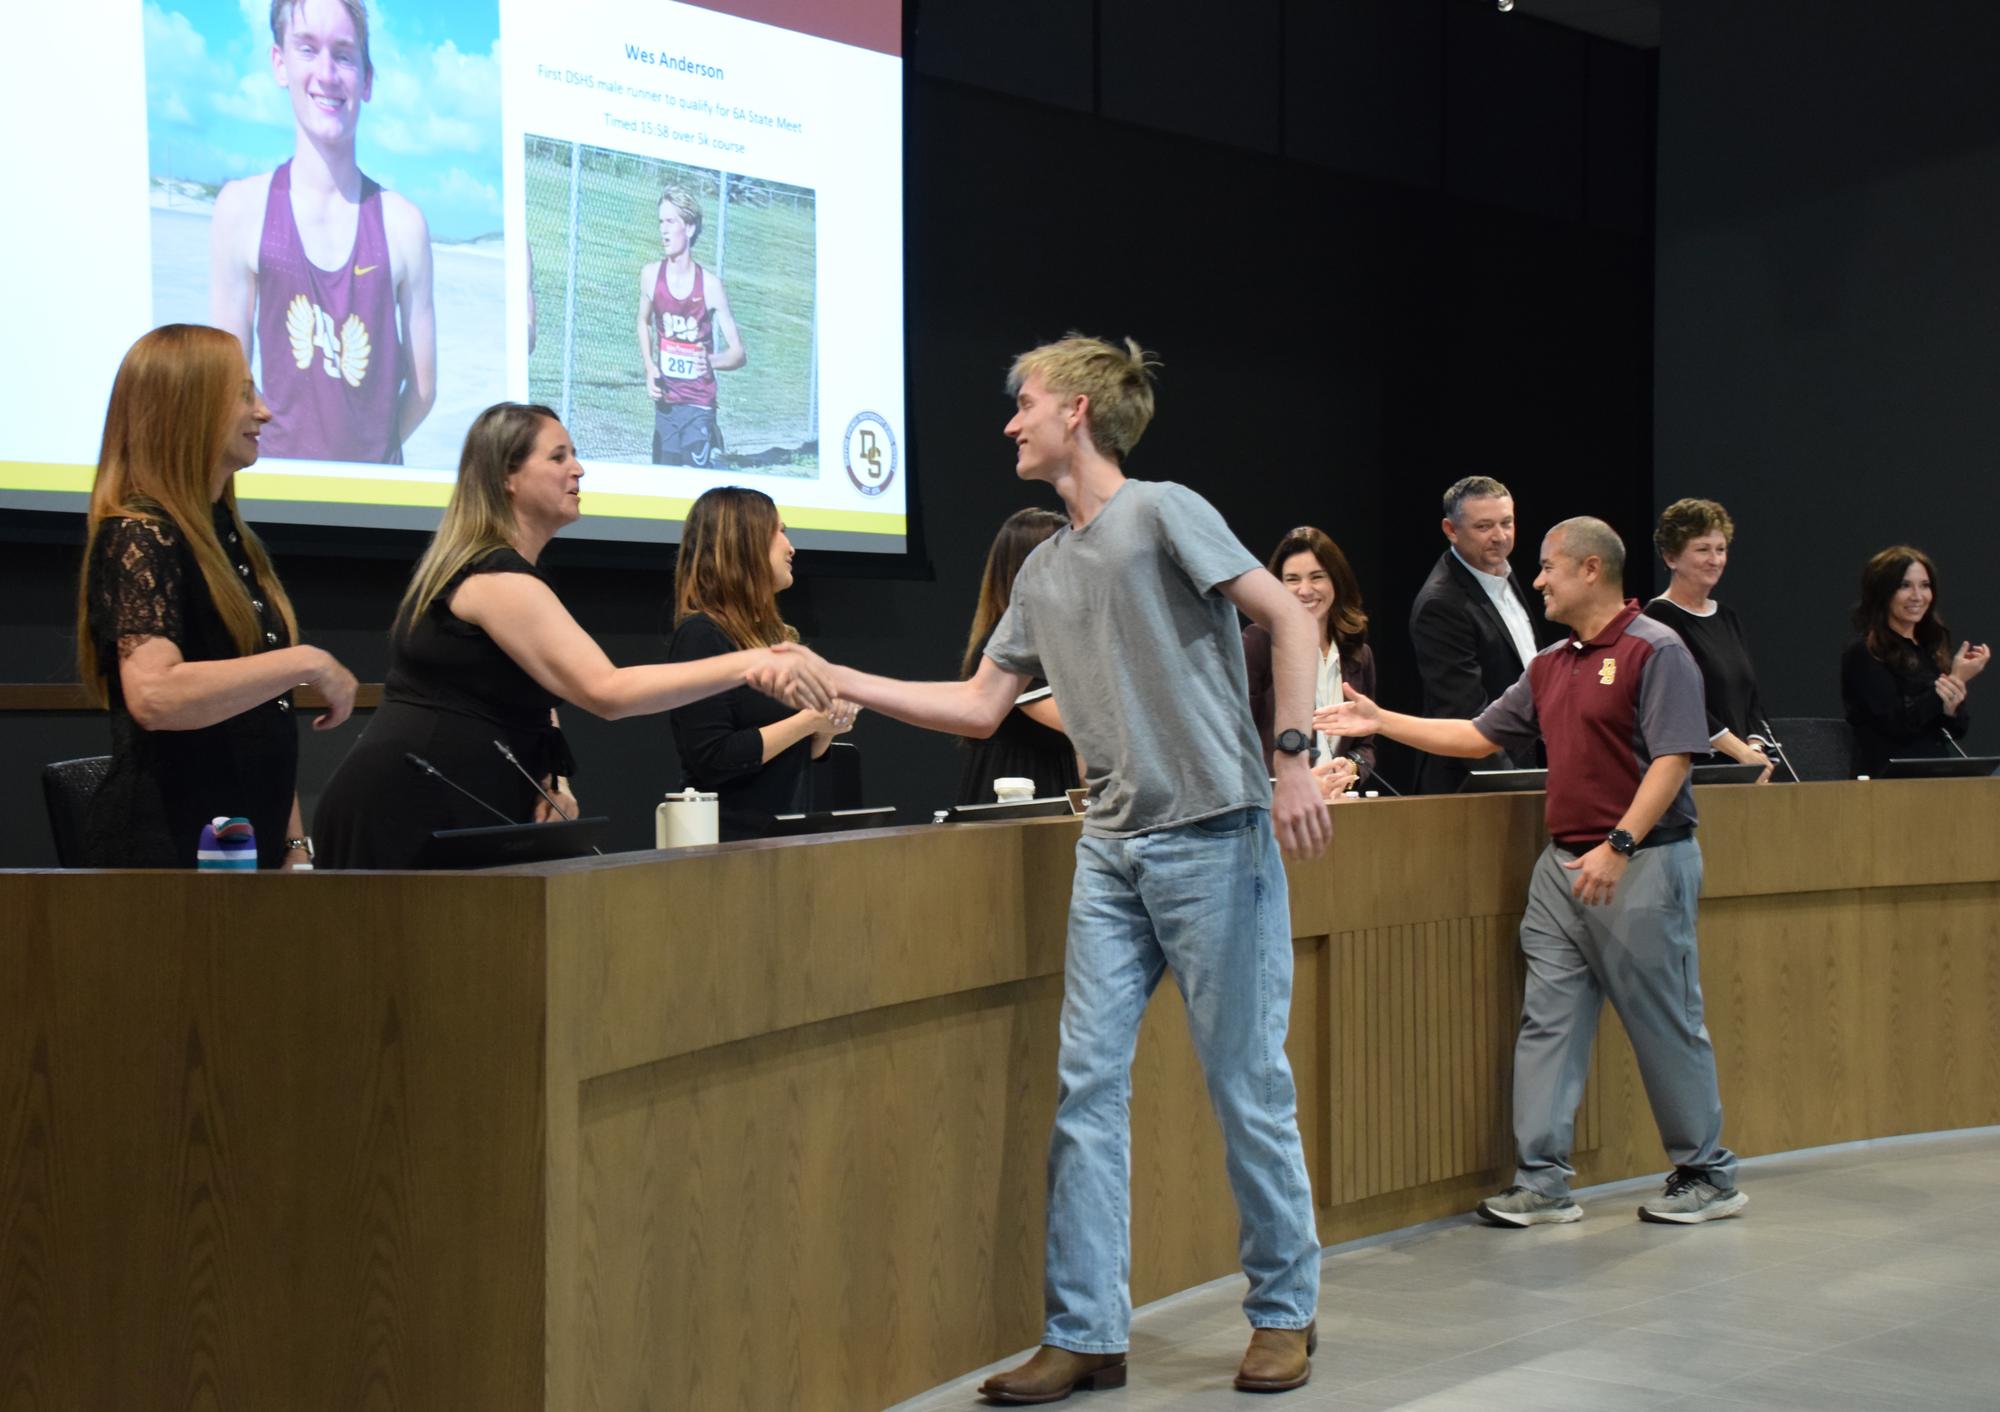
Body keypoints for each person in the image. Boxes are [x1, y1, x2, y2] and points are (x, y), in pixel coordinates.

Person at [825, 335, 1331, 1399]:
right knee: (1084, 1091)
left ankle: (1283, 1309)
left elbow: (1284, 614)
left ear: (1080, 411)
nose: (1009, 422)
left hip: (1212, 831)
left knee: (1246, 1085)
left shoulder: (1162, 510)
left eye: (1024, 403)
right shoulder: (1044, 569)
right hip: (1109, 850)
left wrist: (1291, 760)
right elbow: (976, 705)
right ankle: (1087, 1328)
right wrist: (839, 675)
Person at [1324, 517, 1749, 1228]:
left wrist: (1619, 843)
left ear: (1590, 570)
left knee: (1665, 1019)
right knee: (1547, 1019)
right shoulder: (1552, 663)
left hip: (1640, 862)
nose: (1538, 578)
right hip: (1561, 868)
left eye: (1549, 566)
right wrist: (1380, 720)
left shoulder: (1657, 650)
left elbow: (1675, 758)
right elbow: (1478, 736)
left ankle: (1707, 1172)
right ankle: (1542, 1179)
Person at [313, 406, 831, 868]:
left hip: (457, 808)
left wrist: (552, 776)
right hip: (406, 810)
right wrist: (759, 661)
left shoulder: (506, 574)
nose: (578, 469)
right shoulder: (496, 580)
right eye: (558, 457)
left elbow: (535, 695)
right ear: (507, 477)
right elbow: (606, 691)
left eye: (576, 455)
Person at [75, 324, 359, 869]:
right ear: (191, 407)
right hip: (168, 859)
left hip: (243, 849)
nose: (265, 412)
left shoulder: (229, 535)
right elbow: (155, 696)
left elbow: (256, 713)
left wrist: (294, 844)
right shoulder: (141, 533)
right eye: (244, 393)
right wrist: (305, 662)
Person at [209, 0, 436, 465]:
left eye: (345, 54)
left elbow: (425, 387)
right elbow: (224, 381)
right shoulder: (241, 207)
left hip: (371, 498)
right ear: (280, 62)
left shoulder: (404, 223)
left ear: (367, 79)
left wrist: (375, 454)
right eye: (307, 49)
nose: (327, 74)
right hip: (273, 490)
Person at [664, 487, 857, 839]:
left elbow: (789, 756)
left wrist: (824, 730)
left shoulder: (775, 640)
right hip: (729, 852)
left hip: (783, 840)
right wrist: (808, 720)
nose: (791, 547)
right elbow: (714, 757)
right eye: (780, 532)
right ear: (746, 544)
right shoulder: (702, 636)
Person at [1408, 476, 1554, 793]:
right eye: (1484, 527)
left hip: (1525, 765)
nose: (1499, 537)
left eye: (1507, 523)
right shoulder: (1442, 604)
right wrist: (1516, 786)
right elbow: (1464, 714)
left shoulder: (1503, 570)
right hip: (1473, 786)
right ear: (1451, 530)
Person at [1641, 499, 1775, 782]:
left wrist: (1754, 748)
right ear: (1670, 558)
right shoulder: (1657, 619)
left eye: (1721, 549)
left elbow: (1750, 697)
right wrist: (1741, 753)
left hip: (1744, 769)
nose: (1715, 560)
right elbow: (1679, 704)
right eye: (1703, 549)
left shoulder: (1726, 617)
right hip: (1697, 774)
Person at [955, 507, 1079, 805]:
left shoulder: (1050, 635)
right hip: (1017, 792)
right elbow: (1082, 723)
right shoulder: (1014, 639)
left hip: (1054, 780)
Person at [1243, 525, 1377, 800]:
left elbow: (1366, 745)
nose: (1305, 590)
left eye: (1317, 577)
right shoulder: (1258, 643)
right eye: (1292, 579)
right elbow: (1236, 738)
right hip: (1274, 809)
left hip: (1338, 806)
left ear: (1336, 582)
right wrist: (1288, 782)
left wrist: (1351, 767)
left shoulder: (1359, 654)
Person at [1840, 546, 1988, 777]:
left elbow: (1957, 728)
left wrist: (1951, 704)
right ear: (1882, 591)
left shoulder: (1928, 649)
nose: (1918, 596)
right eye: (1904, 586)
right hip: (1887, 780)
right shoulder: (1864, 652)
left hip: (1935, 774)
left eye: (1925, 585)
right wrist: (1955, 679)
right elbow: (1897, 723)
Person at [637, 185, 745, 468]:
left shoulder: (710, 286)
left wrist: (710, 360)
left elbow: (738, 353)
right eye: (661, 221)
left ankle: (711, 442)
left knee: (695, 483)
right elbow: (642, 321)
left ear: (690, 227)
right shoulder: (650, 275)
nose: (664, 230)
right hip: (666, 404)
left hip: (699, 403)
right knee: (664, 483)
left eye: (671, 221)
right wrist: (650, 367)